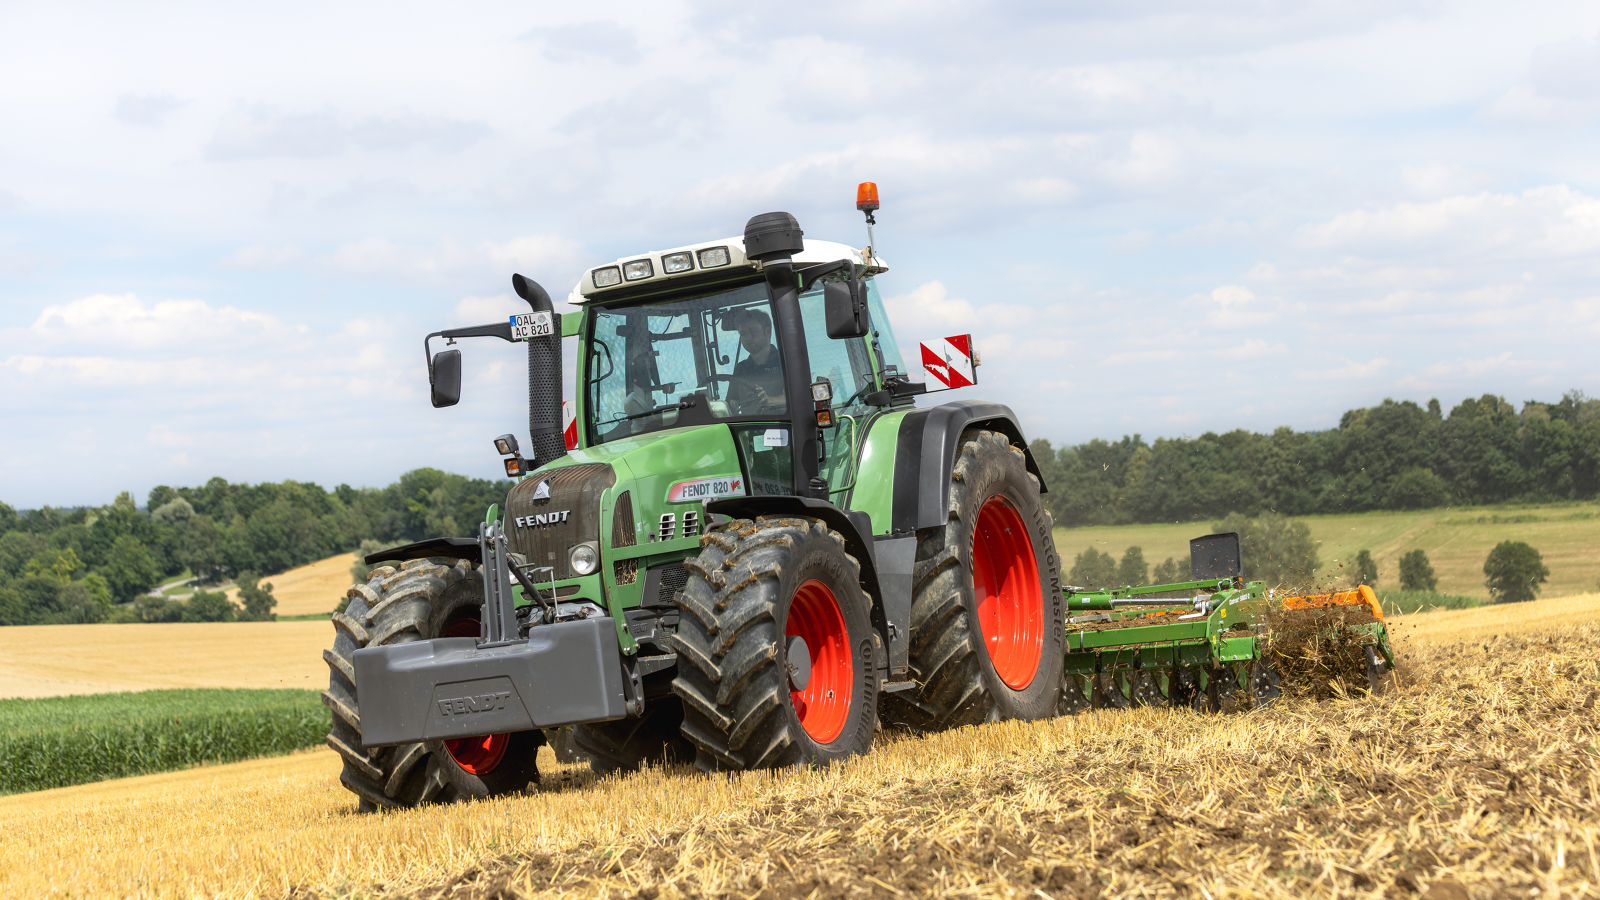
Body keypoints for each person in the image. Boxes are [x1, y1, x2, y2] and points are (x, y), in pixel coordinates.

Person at [727, 308, 785, 414]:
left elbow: (799, 397)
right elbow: (731, 405)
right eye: (743, 334)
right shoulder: (741, 368)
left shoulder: (785, 362)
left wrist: (770, 400)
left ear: (767, 332)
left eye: (752, 331)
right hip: (749, 424)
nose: (747, 338)